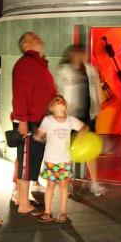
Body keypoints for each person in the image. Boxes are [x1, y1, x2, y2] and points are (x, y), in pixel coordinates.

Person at [10, 31, 55, 215]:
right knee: (26, 162)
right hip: (30, 121)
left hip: (38, 121)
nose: (38, 37)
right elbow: (20, 92)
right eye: (33, 37)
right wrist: (22, 120)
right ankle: (22, 204)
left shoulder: (38, 63)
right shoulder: (26, 63)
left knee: (29, 161)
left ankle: (22, 199)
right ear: (26, 45)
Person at [58, 44, 106, 196]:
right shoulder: (64, 71)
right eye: (79, 53)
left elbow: (97, 89)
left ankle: (94, 184)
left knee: (90, 151)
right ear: (72, 54)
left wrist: (99, 105)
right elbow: (59, 92)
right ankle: (68, 183)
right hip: (70, 117)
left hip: (88, 116)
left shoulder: (90, 69)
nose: (82, 56)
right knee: (68, 151)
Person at [33, 95, 83, 223]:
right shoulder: (48, 120)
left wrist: (82, 138)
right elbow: (39, 134)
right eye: (58, 104)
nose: (61, 105)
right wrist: (38, 136)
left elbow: (84, 128)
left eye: (63, 105)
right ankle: (47, 212)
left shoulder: (71, 120)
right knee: (50, 186)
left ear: (66, 108)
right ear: (52, 108)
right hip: (50, 160)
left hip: (65, 160)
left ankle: (63, 212)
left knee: (63, 187)